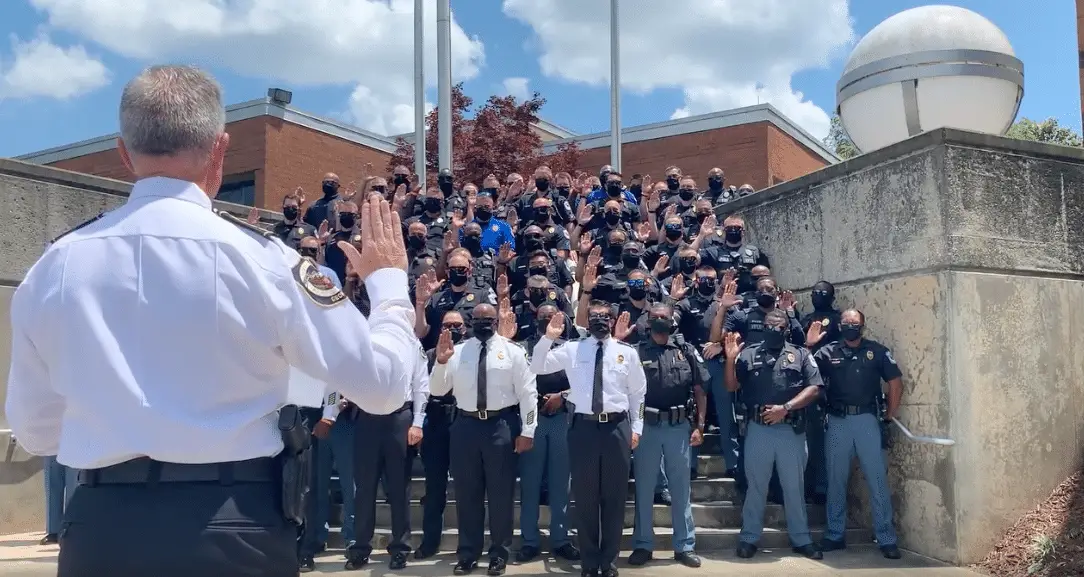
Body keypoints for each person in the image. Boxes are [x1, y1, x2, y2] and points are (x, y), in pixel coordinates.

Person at [4, 65, 418, 577]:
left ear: (125, 153)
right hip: (234, 525)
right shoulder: (267, 262)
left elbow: (36, 430)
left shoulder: (54, 267)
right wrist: (389, 286)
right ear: (220, 149)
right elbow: (382, 388)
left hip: (101, 528)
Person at [530, 303, 647, 577]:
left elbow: (638, 395)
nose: (600, 321)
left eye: (605, 317)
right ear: (587, 321)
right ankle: (589, 562)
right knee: (585, 498)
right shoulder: (572, 348)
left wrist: (637, 428)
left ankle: (609, 562)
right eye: (594, 317)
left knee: (614, 498)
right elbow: (537, 365)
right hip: (582, 429)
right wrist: (548, 337)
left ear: (613, 320)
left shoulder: (626, 353)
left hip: (617, 428)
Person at [430, 303, 538, 576]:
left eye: (488, 319)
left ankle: (499, 554)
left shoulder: (512, 352)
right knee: (467, 494)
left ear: (496, 320)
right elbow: (437, 389)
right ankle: (467, 553)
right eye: (477, 319)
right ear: (470, 321)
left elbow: (528, 394)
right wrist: (441, 362)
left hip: (500, 425)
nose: (483, 323)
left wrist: (528, 431)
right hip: (465, 426)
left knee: (501, 494)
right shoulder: (458, 352)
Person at [723, 310, 823, 561]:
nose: (773, 330)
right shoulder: (748, 353)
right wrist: (730, 358)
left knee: (794, 488)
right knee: (756, 487)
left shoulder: (801, 354)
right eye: (769, 325)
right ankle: (748, 538)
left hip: (790, 429)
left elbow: (815, 388)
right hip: (759, 429)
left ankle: (801, 539)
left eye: (779, 327)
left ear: (787, 329)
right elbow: (731, 386)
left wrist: (785, 408)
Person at [810, 309, 903, 560]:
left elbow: (895, 382)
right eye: (846, 323)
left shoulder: (877, 352)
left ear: (862, 326)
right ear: (840, 326)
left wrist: (889, 414)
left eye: (855, 323)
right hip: (838, 421)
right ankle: (835, 534)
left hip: (866, 421)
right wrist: (809, 345)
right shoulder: (827, 352)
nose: (850, 326)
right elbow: (807, 374)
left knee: (877, 481)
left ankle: (886, 538)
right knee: (836, 481)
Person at [627, 303, 707, 568]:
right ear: (648, 322)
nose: (660, 320)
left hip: (678, 426)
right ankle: (642, 544)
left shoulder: (686, 351)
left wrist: (700, 425)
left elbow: (699, 389)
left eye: (664, 317)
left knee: (680, 489)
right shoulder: (635, 352)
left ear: (672, 320)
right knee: (644, 488)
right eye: (655, 317)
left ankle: (684, 546)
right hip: (647, 427)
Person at [345, 343, 429, 570]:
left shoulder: (410, 343)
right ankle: (360, 548)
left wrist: (418, 422)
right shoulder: (364, 338)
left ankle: (400, 548)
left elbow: (421, 384)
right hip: (366, 419)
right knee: (364, 488)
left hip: (399, 418)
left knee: (400, 488)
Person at [515, 303, 581, 563]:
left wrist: (563, 396)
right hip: (533, 420)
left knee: (560, 484)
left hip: (562, 419)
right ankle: (529, 541)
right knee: (530, 483)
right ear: (535, 318)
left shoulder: (572, 348)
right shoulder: (523, 347)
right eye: (542, 315)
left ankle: (561, 539)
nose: (547, 319)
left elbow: (584, 382)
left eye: (552, 315)